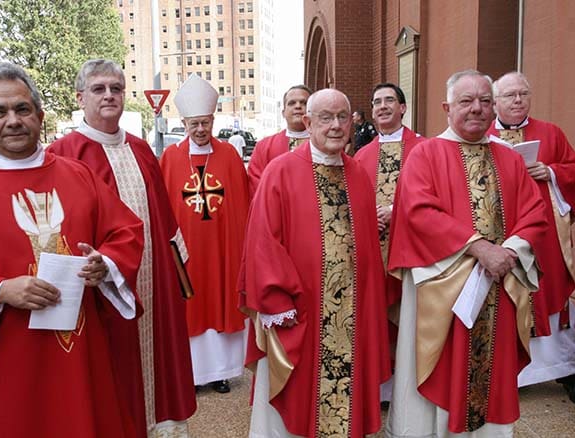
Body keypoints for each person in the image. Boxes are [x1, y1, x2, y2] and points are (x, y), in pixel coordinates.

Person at [0, 62, 145, 438]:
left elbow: (126, 231)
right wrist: (0, 290)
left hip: (80, 351)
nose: (13, 120)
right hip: (5, 354)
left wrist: (105, 263)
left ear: (39, 115)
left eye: (22, 109)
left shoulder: (78, 176)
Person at [386, 70, 548, 437]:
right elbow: (418, 212)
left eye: (485, 101)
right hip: (440, 290)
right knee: (440, 364)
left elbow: (534, 212)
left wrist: (508, 252)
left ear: (494, 109)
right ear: (446, 107)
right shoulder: (425, 154)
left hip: (498, 283)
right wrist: (479, 248)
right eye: (466, 101)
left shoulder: (508, 158)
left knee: (489, 372)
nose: (477, 109)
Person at [48, 59, 196, 437]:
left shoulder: (142, 149)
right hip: (102, 284)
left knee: (155, 366)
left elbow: (162, 216)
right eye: (99, 89)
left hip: (152, 279)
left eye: (116, 88)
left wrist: (176, 270)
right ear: (80, 98)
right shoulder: (64, 152)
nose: (109, 96)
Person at [242, 88, 390, 437]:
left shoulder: (358, 175)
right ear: (308, 122)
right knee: (295, 399)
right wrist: (276, 302)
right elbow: (262, 242)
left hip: (351, 318)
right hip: (300, 311)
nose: (336, 126)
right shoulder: (280, 171)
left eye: (343, 117)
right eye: (326, 118)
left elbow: (367, 252)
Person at [159, 73, 250, 394]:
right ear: (184, 123)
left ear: (213, 120)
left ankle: (221, 372)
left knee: (221, 302)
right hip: (185, 252)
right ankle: (191, 374)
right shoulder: (170, 158)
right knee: (189, 306)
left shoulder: (228, 155)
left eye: (206, 123)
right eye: (194, 124)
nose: (200, 130)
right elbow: (162, 206)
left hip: (223, 249)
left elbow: (244, 201)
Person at [488, 71, 575, 398]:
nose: (518, 100)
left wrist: (550, 172)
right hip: (502, 231)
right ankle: (506, 371)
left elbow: (573, 169)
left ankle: (559, 367)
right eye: (510, 95)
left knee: (547, 289)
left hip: (544, 233)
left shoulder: (551, 133)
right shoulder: (482, 135)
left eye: (523, 94)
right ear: (495, 100)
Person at [354, 83, 425, 401]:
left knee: (411, 315)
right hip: (373, 251)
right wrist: (370, 215)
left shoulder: (425, 149)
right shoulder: (361, 155)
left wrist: (396, 212)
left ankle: (409, 386)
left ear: (403, 108)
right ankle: (381, 387)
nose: (382, 106)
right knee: (375, 317)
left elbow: (435, 197)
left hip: (413, 250)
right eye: (376, 102)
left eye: (389, 101)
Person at [247, 85, 312, 196]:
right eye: (291, 103)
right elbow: (256, 184)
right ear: (283, 113)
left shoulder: (325, 144)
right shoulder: (264, 146)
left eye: (304, 103)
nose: (298, 106)